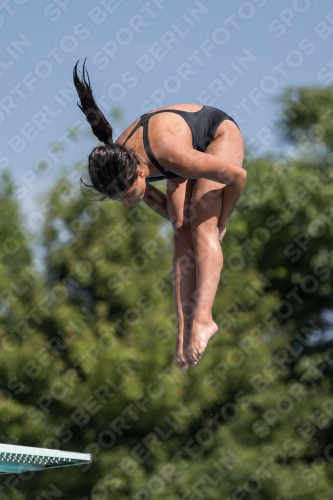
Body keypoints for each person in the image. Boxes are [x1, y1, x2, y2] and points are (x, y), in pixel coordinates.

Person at [73, 61, 246, 370]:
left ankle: (205, 320)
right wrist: (176, 216)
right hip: (176, 153)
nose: (127, 205)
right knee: (181, 228)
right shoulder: (121, 161)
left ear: (141, 171)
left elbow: (238, 177)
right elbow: (170, 214)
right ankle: (184, 330)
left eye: (127, 197)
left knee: (202, 228)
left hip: (216, 134)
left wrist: (223, 222)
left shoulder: (172, 156)